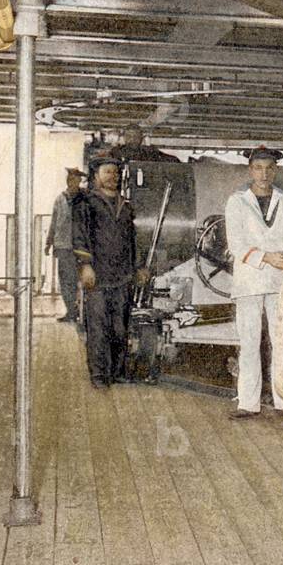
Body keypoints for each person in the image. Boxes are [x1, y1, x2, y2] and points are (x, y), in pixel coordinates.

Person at [224, 145, 283, 419]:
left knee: (282, 341)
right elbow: (235, 244)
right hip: (249, 281)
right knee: (249, 341)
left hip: (280, 281)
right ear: (250, 170)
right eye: (258, 167)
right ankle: (248, 402)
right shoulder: (237, 201)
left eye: (269, 168)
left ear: (276, 170)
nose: (264, 173)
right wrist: (267, 257)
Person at [72, 152, 149, 388]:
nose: (112, 176)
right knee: (98, 327)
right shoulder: (86, 203)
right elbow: (80, 236)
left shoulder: (125, 206)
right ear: (96, 175)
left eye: (115, 172)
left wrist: (138, 268)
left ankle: (117, 372)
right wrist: (85, 266)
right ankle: (98, 375)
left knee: (120, 327)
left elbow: (133, 240)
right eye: (107, 172)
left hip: (122, 276)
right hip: (97, 276)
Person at [44, 167, 86, 322]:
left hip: (80, 247)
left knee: (78, 280)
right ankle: (71, 311)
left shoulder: (84, 198)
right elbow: (54, 222)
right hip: (63, 246)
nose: (71, 181)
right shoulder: (60, 199)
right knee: (65, 281)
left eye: (75, 179)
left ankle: (79, 311)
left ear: (79, 181)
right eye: (69, 179)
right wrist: (49, 242)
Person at [110, 125, 180, 163]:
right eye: (129, 136)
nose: (132, 139)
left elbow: (171, 159)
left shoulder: (149, 151)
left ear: (142, 138)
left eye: (136, 136)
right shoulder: (116, 152)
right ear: (124, 137)